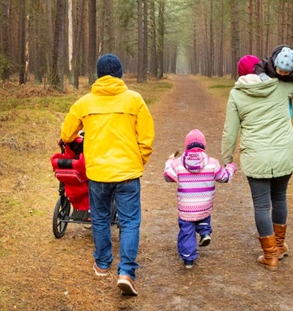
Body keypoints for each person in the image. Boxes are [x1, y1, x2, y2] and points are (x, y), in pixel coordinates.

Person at [60, 53, 154, 296]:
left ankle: (102, 264)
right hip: (127, 172)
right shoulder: (135, 100)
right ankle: (126, 273)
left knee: (100, 218)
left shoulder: (84, 103)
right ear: (120, 74)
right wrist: (139, 160)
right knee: (130, 221)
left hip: (98, 173)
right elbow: (146, 138)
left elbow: (67, 133)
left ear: (98, 75)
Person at [221, 55, 293, 271]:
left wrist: (227, 159)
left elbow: (230, 131)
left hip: (256, 157)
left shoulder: (237, 94)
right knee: (280, 198)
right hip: (285, 153)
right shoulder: (281, 86)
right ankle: (280, 245)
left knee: (262, 206)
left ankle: (270, 255)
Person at [164, 129, 235, 269]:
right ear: (204, 146)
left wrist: (169, 161)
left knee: (187, 230)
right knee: (203, 214)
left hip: (186, 207)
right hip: (205, 205)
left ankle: (188, 259)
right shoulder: (212, 163)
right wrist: (231, 167)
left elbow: (168, 176)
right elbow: (224, 177)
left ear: (186, 146)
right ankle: (204, 232)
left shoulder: (178, 163)